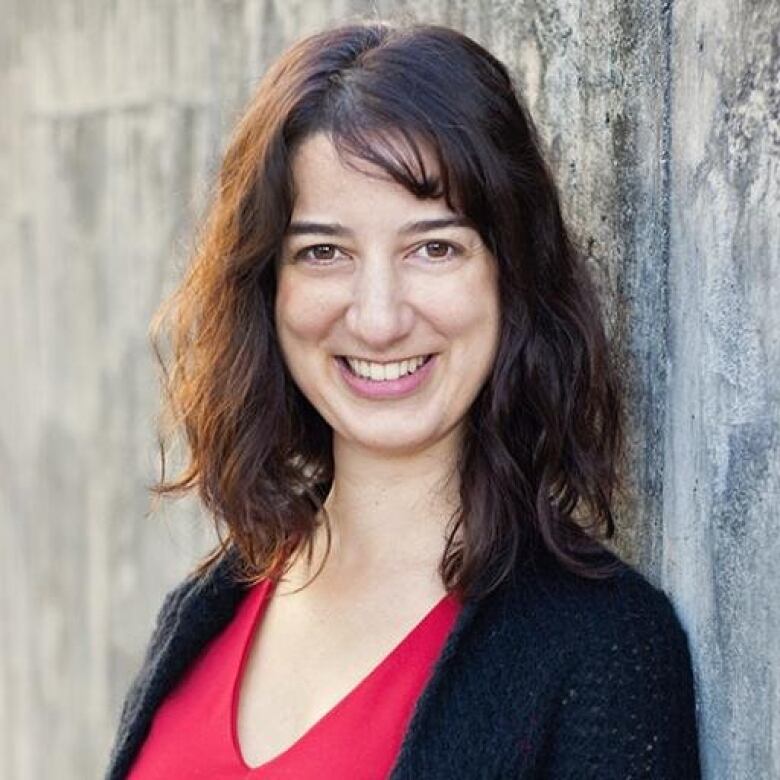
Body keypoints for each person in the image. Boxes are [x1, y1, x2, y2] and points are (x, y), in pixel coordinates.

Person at [105, 19, 701, 779]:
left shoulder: (603, 650)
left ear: (509, 274)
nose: (378, 318)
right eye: (324, 252)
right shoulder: (202, 610)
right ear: (270, 288)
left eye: (434, 247)